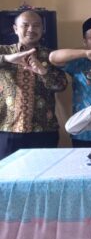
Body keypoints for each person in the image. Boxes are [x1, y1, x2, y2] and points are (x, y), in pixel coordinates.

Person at [0, 10, 67, 159]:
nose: (31, 29)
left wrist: (43, 71)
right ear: (15, 29)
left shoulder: (51, 56)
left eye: (36, 25)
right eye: (25, 25)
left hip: (44, 130)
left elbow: (62, 85)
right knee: (7, 173)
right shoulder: (4, 51)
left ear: (42, 29)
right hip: (6, 130)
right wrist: (7, 59)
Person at [49, 17, 91, 147]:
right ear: (85, 41)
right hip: (85, 130)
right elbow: (53, 57)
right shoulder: (78, 63)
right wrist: (86, 53)